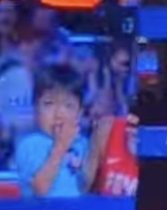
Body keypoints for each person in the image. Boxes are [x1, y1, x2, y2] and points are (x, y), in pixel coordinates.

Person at [15, 64, 106, 198]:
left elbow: (88, 187)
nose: (58, 114)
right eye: (49, 104)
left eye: (68, 106)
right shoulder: (29, 145)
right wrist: (60, 147)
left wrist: (97, 146)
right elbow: (40, 191)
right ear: (35, 109)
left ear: (79, 113)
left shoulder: (83, 144)